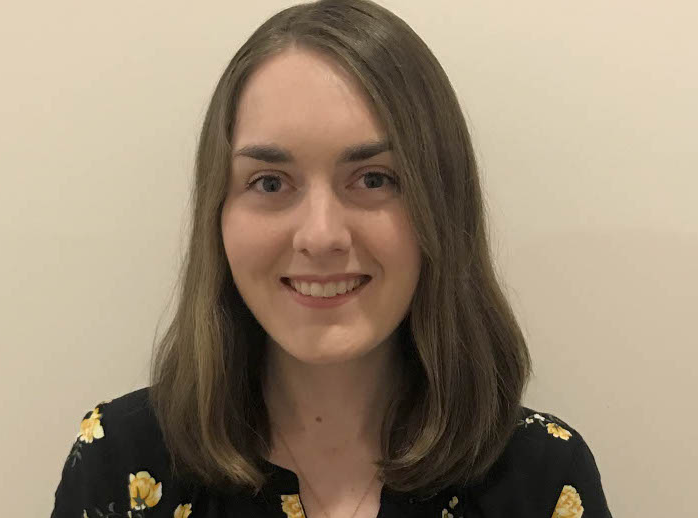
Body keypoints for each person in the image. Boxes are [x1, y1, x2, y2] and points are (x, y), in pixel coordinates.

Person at [51, 1, 612, 517]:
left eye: (374, 178)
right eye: (270, 182)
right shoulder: (119, 464)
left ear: (441, 206)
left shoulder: (540, 477)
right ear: (217, 213)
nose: (320, 236)